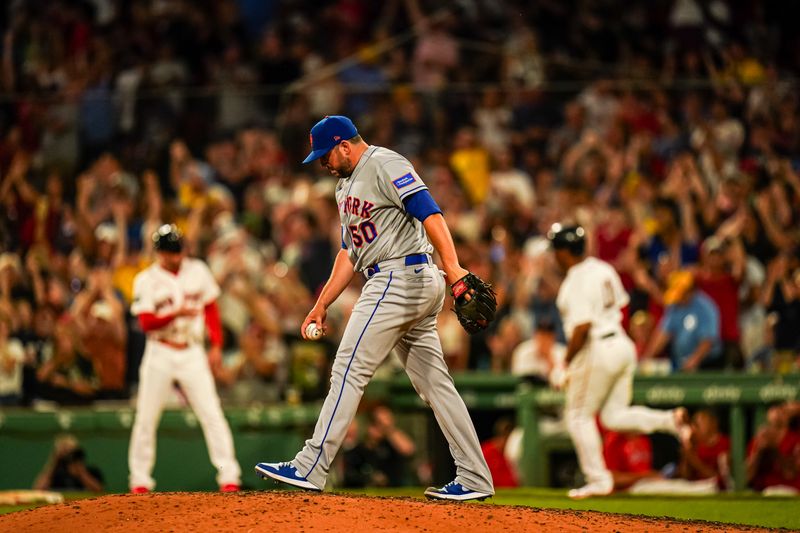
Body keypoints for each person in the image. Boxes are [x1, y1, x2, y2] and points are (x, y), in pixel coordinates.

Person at [256, 115, 494, 501]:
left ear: (345, 145)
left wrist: (453, 269)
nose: (323, 164)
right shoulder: (343, 187)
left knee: (348, 367)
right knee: (435, 384)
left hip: (401, 278)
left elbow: (430, 212)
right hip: (397, 280)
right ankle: (474, 477)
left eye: (325, 155)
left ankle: (311, 465)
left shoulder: (385, 163)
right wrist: (321, 304)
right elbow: (350, 254)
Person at [547, 223, 689, 499]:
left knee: (577, 416)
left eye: (556, 249)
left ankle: (598, 480)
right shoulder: (603, 268)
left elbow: (582, 328)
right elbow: (621, 306)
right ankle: (670, 420)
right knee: (614, 415)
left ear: (564, 252)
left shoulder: (573, 282)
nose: (554, 255)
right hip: (622, 345)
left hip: (597, 346)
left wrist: (565, 364)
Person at [128, 224, 241, 493]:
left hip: (192, 351)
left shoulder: (198, 271)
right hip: (160, 351)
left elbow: (211, 309)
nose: (175, 256)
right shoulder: (146, 279)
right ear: (158, 252)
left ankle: (229, 477)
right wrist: (175, 313)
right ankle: (140, 481)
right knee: (146, 417)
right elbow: (145, 322)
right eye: (169, 251)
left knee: (212, 414)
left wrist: (216, 346)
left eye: (177, 250)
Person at [641, 270, 724, 371]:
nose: (678, 299)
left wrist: (694, 360)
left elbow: (708, 340)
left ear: (690, 291)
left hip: (707, 364)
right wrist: (646, 359)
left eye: (681, 294)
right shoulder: (674, 306)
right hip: (681, 362)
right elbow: (663, 334)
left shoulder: (706, 308)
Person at [33, 434, 104, 493]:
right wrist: (54, 462)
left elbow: (99, 491)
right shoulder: (56, 474)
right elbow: (38, 490)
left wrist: (81, 472)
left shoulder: (92, 471)